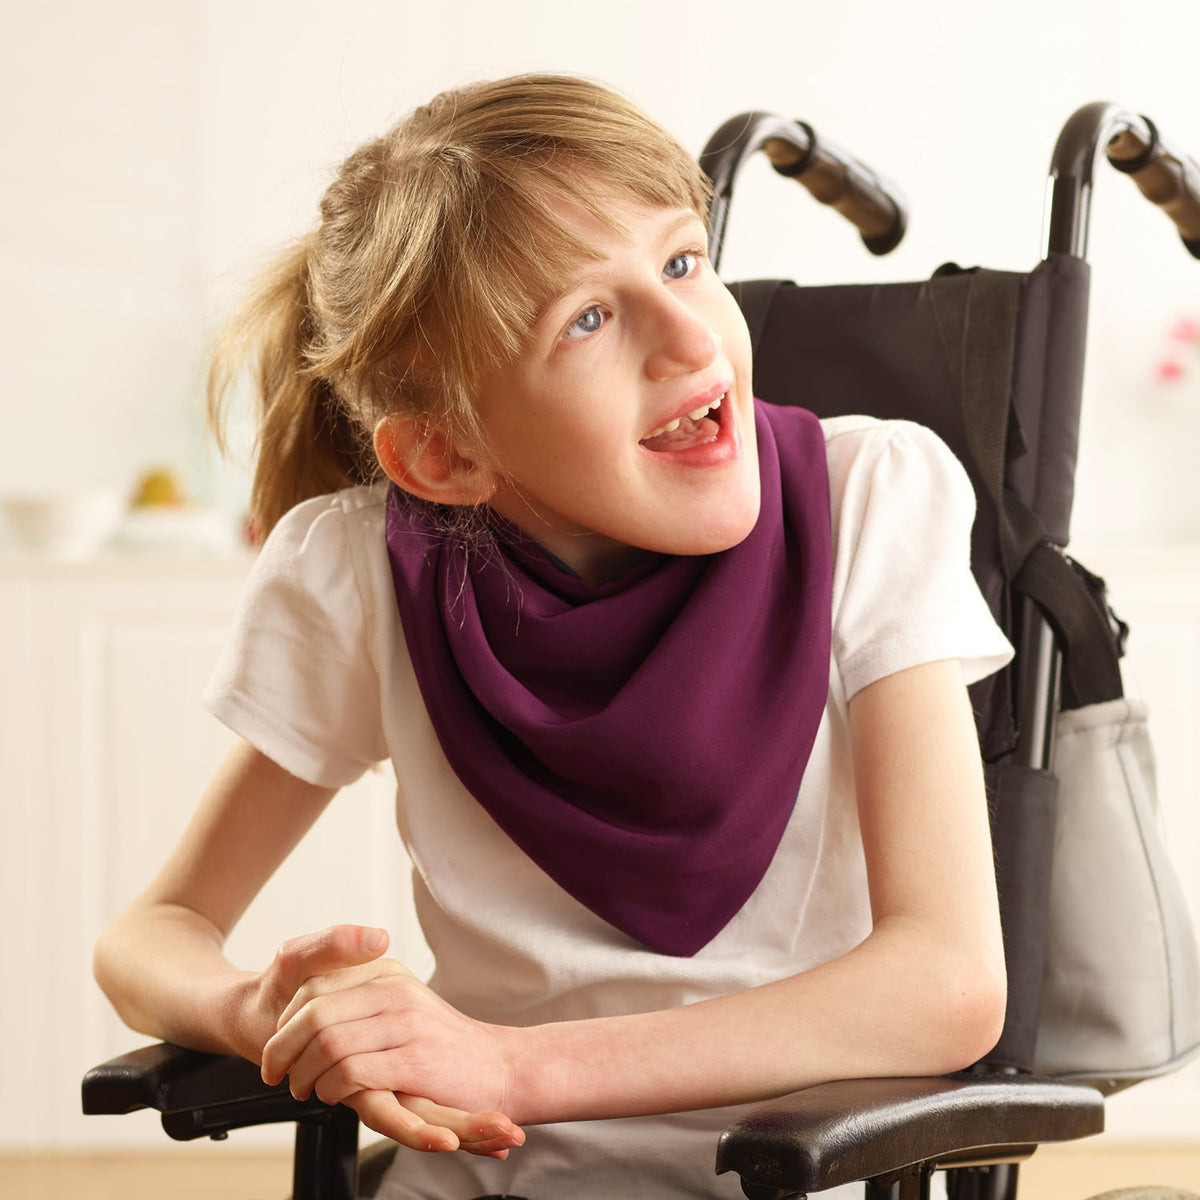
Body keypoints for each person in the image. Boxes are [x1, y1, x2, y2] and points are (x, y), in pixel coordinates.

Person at [93, 73, 1014, 1199]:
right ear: (446, 455)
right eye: (588, 318)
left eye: (682, 262)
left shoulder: (871, 494)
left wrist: (514, 1067)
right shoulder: (359, 574)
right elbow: (151, 936)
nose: (691, 338)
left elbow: (947, 982)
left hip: (792, 1175)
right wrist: (265, 1009)